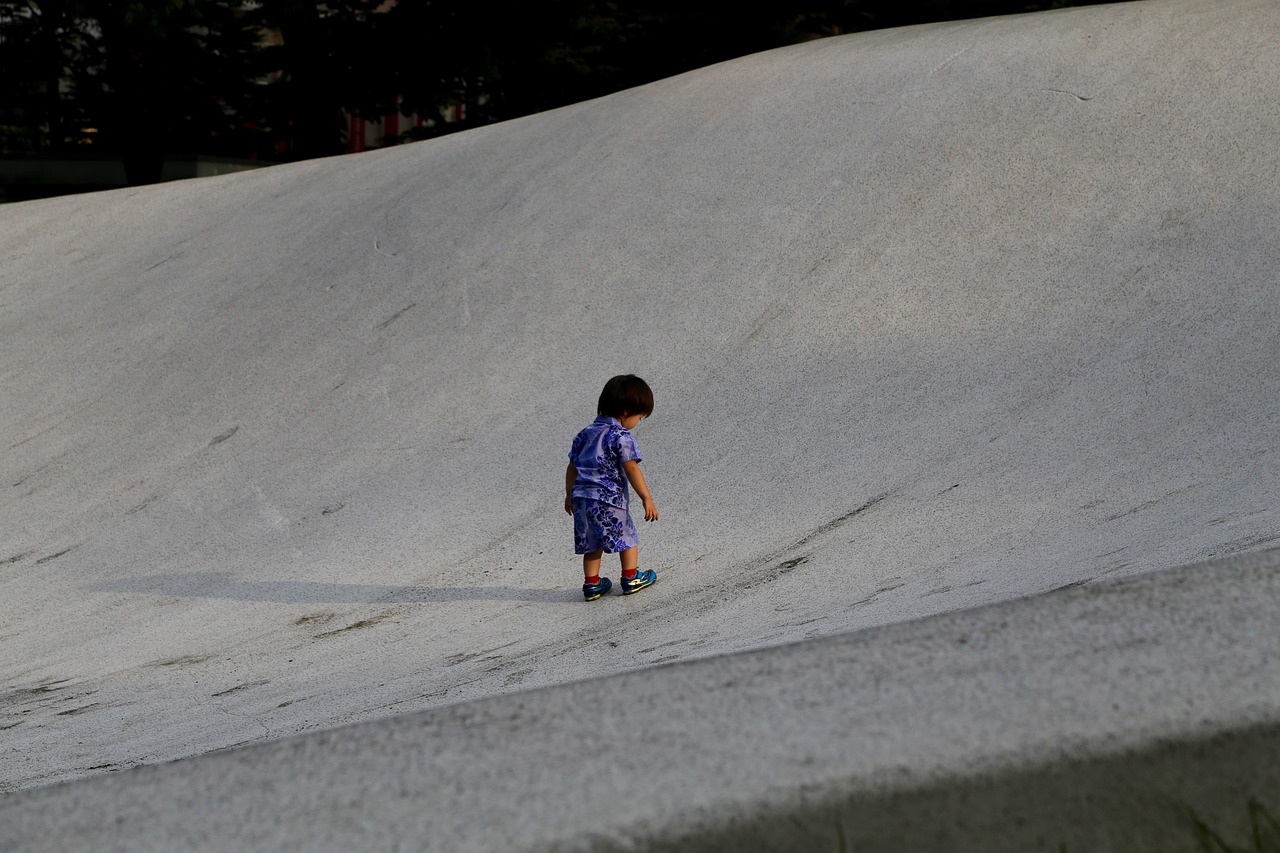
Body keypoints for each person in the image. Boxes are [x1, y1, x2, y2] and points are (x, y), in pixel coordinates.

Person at [564, 375, 659, 601]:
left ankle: (592, 584)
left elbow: (572, 467)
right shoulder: (621, 436)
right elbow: (631, 469)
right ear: (626, 412)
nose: (638, 422)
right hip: (609, 499)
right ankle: (630, 577)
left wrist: (569, 494)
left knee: (591, 543)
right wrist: (646, 497)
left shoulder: (585, 433)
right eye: (640, 417)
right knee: (627, 536)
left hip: (582, 499)